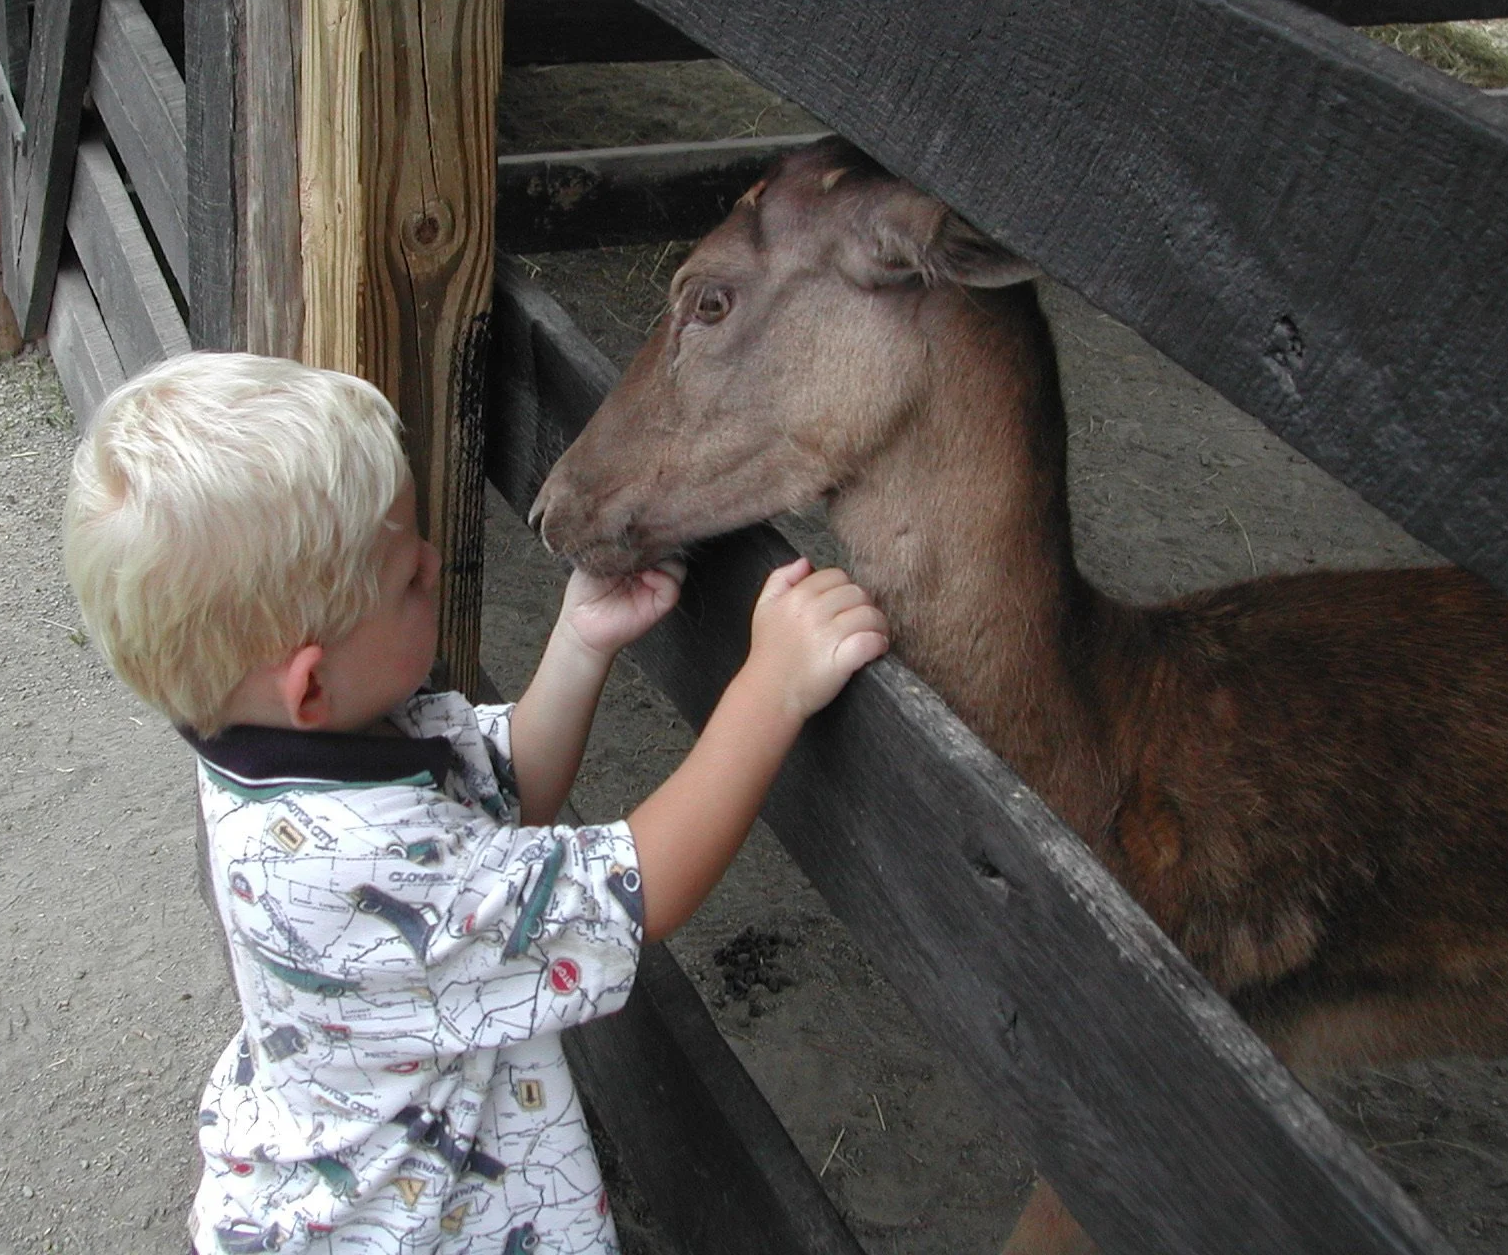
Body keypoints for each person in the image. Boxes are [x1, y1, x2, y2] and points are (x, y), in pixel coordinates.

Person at [63, 351, 889, 1255]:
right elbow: (640, 888)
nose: (431, 560)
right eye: (407, 579)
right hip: (406, 1229)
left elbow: (505, 785)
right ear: (309, 684)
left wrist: (578, 641)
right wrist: (770, 687)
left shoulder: (294, 743)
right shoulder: (348, 858)